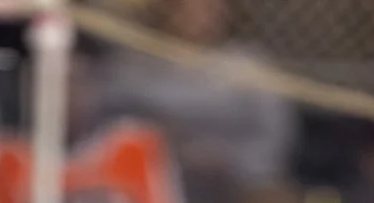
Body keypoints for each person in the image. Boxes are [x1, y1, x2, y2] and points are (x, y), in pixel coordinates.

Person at [94, 0, 298, 185]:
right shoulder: (135, 62)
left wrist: (228, 161)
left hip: (236, 180)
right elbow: (107, 121)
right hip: (154, 176)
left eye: (212, 7)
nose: (201, 15)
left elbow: (275, 139)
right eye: (190, 6)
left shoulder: (249, 65)